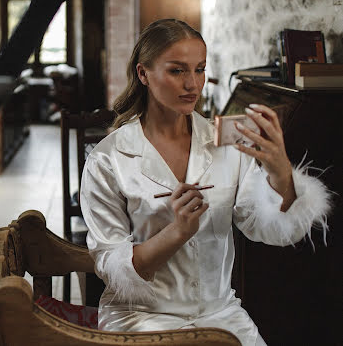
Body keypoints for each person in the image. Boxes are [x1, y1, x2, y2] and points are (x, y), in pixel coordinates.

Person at [79, 19, 332, 346]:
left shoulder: (225, 144)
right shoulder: (108, 159)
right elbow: (112, 267)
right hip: (140, 317)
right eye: (177, 71)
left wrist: (280, 173)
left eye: (199, 69)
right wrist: (177, 231)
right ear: (143, 74)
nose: (192, 84)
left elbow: (263, 228)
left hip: (219, 315)